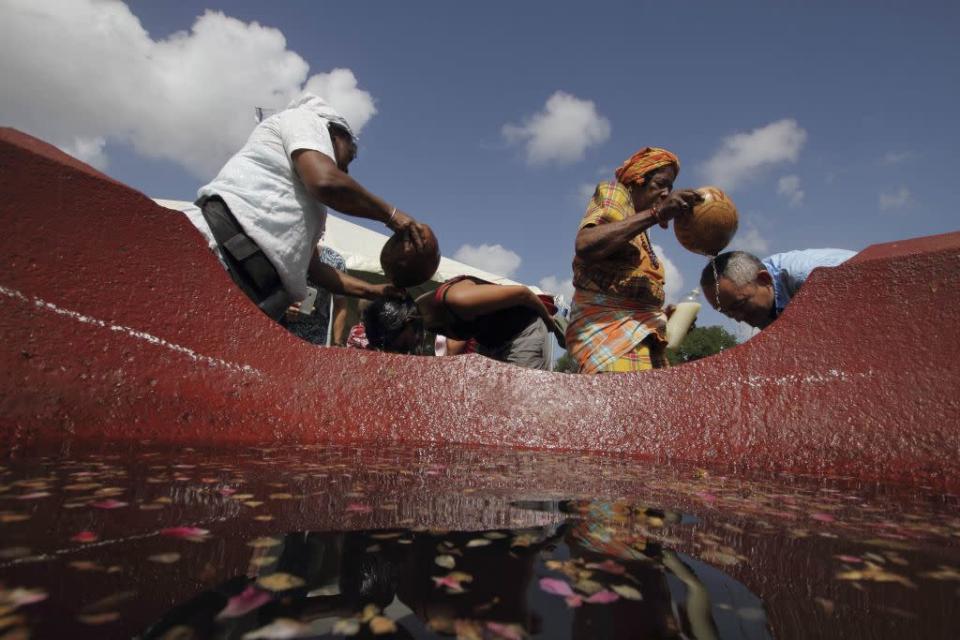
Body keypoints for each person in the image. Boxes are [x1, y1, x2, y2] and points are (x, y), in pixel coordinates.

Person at [189, 93, 435, 320]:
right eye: (347, 158)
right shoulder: (307, 120)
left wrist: (373, 290)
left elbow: (315, 269)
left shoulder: (309, 204)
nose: (344, 171)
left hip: (250, 285)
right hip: (221, 255)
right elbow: (325, 181)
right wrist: (391, 215)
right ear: (335, 134)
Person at [564, 147, 702, 373]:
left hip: (639, 347)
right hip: (610, 343)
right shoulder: (615, 193)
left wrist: (664, 320)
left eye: (670, 187)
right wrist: (656, 213)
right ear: (636, 181)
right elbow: (586, 244)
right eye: (660, 184)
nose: (666, 193)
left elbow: (625, 297)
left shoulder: (639, 231)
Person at [363, 277, 564, 370]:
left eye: (395, 344)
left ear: (406, 322)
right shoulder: (424, 320)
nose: (398, 351)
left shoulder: (457, 299)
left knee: (523, 399)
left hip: (524, 330)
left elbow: (522, 293)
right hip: (492, 342)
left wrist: (549, 323)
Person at [700, 249, 856, 328]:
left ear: (764, 280)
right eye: (727, 313)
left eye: (739, 305)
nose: (739, 318)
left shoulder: (813, 277)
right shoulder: (761, 303)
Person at [284, 246, 349, 345]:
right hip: (281, 330)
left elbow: (340, 305)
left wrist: (337, 342)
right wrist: (282, 309)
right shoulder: (284, 253)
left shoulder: (335, 261)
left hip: (316, 338)